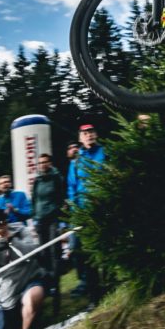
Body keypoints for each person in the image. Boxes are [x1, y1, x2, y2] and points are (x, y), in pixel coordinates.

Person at [66, 123, 106, 304]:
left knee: (105, 249)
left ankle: (110, 284)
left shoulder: (105, 153)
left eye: (91, 132)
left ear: (95, 134)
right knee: (86, 255)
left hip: (103, 209)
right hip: (84, 214)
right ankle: (94, 296)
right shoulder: (76, 162)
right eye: (85, 133)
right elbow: (72, 188)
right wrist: (77, 212)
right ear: (80, 138)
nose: (89, 135)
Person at [30, 153, 66, 276]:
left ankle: (55, 279)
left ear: (50, 163)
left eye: (45, 162)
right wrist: (34, 217)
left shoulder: (56, 178)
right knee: (43, 250)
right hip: (40, 219)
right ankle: (46, 278)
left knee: (54, 248)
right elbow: (34, 199)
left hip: (53, 218)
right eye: (40, 163)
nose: (43, 165)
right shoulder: (37, 180)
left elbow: (62, 197)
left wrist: (61, 218)